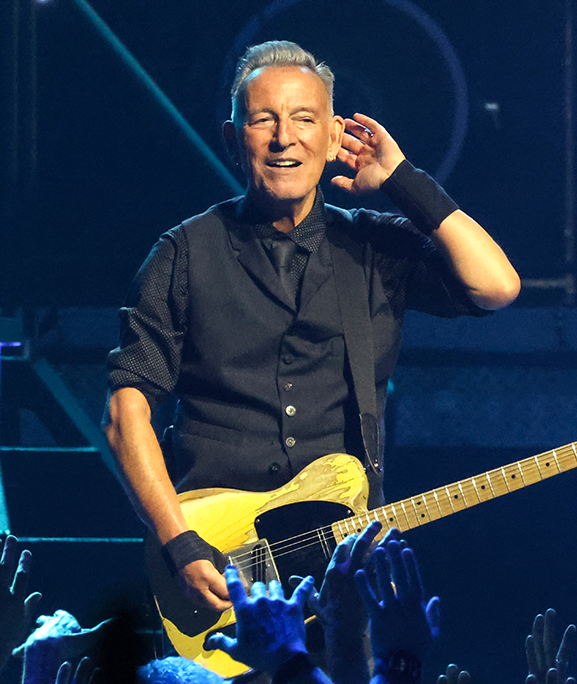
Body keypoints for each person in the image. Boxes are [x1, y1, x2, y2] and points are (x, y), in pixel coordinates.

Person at [103, 39, 520, 615]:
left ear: (332, 139)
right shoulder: (182, 255)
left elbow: (496, 286)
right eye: (263, 120)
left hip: (346, 580)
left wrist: (402, 180)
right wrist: (179, 542)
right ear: (232, 140)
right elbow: (126, 414)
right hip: (221, 567)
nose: (284, 138)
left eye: (304, 120)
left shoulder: (375, 246)